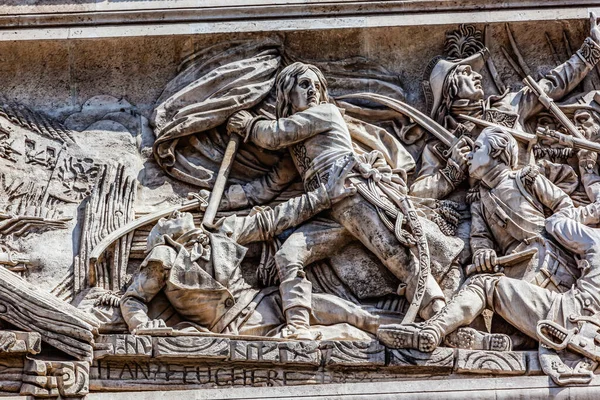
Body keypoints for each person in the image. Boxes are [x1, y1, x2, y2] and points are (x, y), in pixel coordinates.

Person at [227, 62, 462, 339]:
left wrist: (250, 125)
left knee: (397, 258)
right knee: (288, 255)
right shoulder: (298, 147)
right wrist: (227, 200)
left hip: (354, 195)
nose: (313, 90)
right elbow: (270, 185)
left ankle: (441, 322)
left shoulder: (324, 113)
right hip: (327, 210)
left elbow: (275, 134)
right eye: (304, 84)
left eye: (317, 85)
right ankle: (298, 328)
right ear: (287, 91)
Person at [120, 160, 392, 339]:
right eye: (165, 221)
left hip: (268, 301)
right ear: (164, 237)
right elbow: (132, 299)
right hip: (239, 325)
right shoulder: (164, 257)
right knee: (347, 332)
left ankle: (405, 329)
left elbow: (274, 219)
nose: (175, 213)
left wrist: (325, 195)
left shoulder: (223, 232)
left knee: (354, 313)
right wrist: (141, 325)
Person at [378, 200, 600, 385]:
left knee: (485, 284)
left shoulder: (595, 239)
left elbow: (555, 222)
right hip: (589, 329)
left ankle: (434, 329)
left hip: (570, 314)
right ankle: (503, 342)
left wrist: (593, 210)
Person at [410, 13, 600, 200]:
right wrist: (452, 172)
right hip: (493, 215)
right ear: (449, 89)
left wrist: (593, 48)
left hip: (536, 197)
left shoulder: (508, 106)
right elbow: (416, 193)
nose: (478, 76)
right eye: (466, 73)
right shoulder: (439, 145)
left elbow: (552, 85)